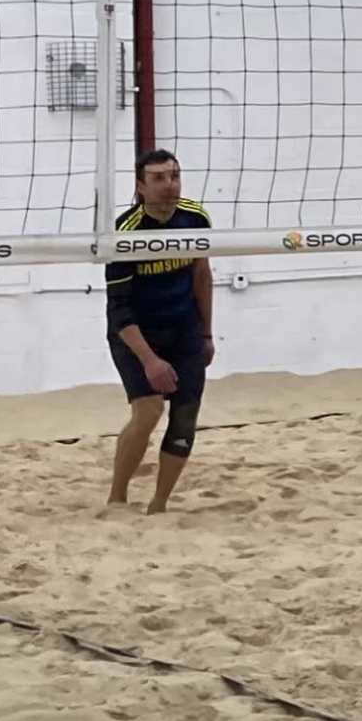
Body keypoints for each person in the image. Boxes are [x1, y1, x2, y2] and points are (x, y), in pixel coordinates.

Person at [104, 147, 213, 516]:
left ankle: (159, 505)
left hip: (184, 330)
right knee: (149, 411)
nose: (169, 185)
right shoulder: (125, 231)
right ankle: (117, 497)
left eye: (174, 176)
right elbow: (119, 310)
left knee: (185, 416)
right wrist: (150, 361)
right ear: (140, 186)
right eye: (159, 178)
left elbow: (202, 275)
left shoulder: (195, 218)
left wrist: (207, 334)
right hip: (136, 334)